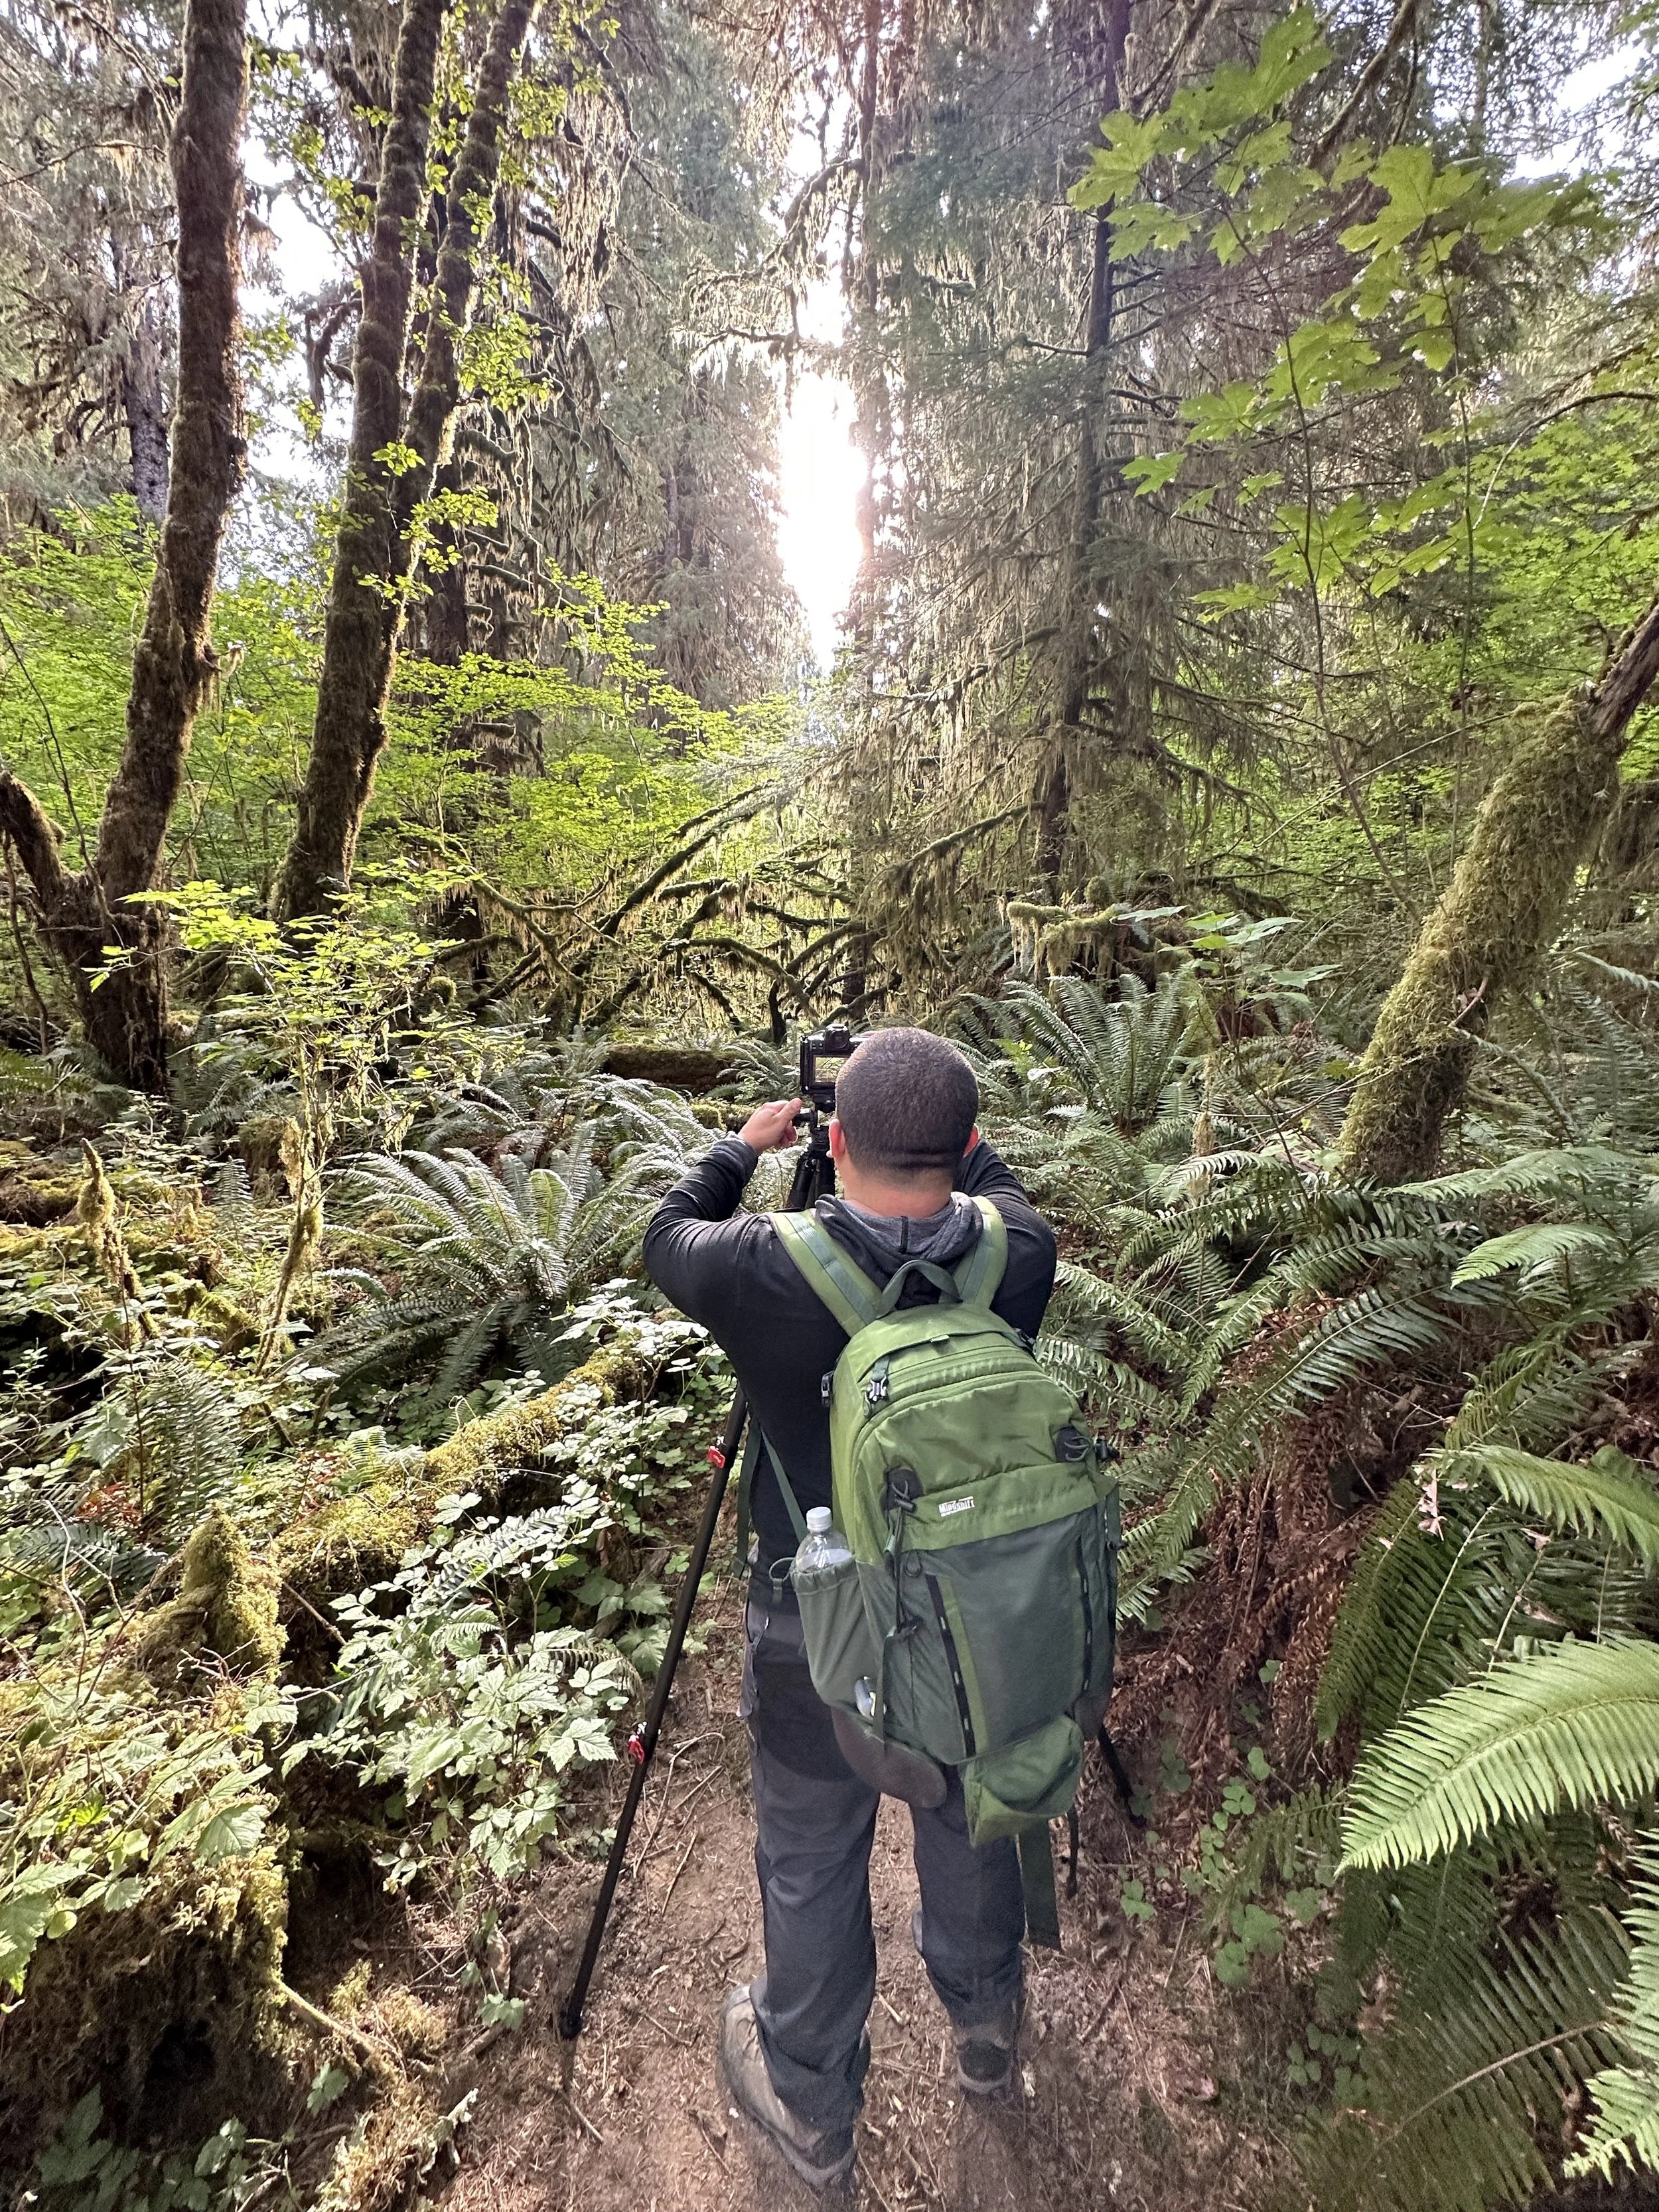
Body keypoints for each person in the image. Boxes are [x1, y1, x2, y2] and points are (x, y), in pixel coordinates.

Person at [642, 1027, 1058, 2191]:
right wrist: (949, 1131)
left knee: (812, 1853)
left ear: (832, 1141)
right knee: (970, 1811)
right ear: (965, 1145)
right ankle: (986, 2028)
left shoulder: (760, 1271)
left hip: (808, 1631)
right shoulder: (1019, 1252)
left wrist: (742, 1147)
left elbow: (665, 1233)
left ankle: (814, 2102)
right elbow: (992, 1181)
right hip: (974, 1623)